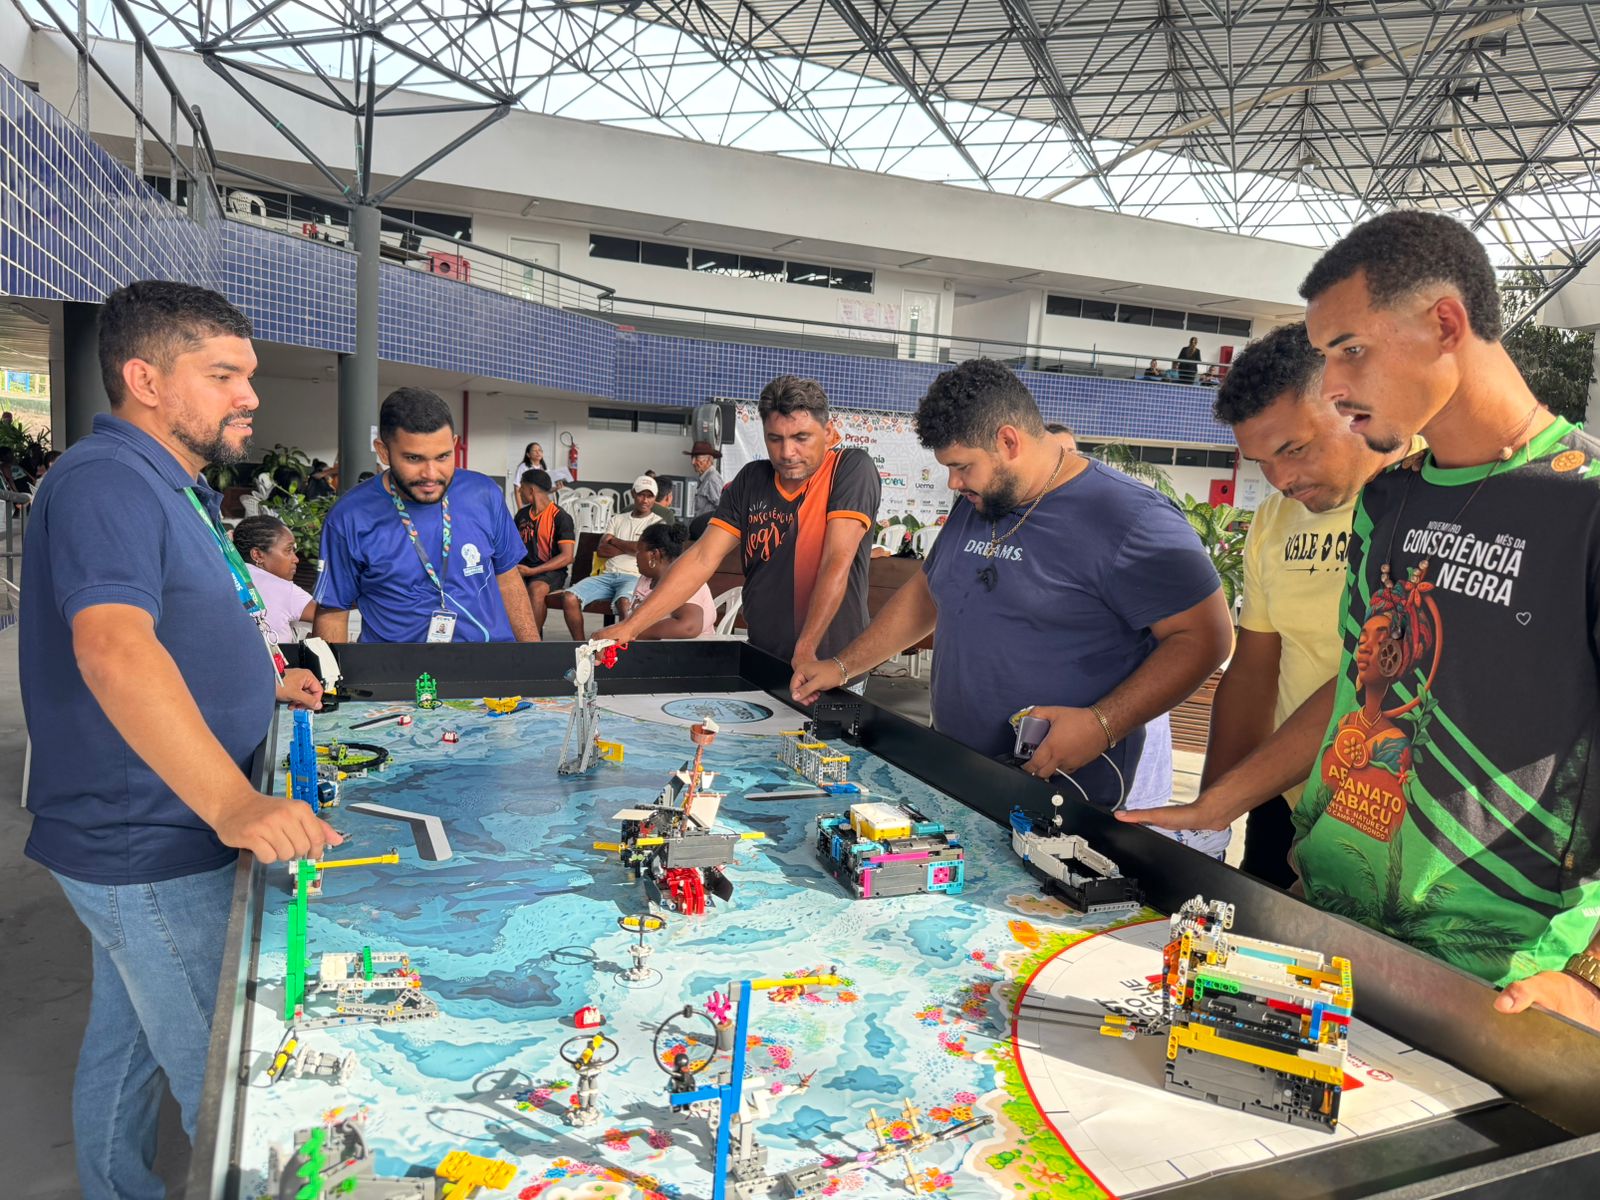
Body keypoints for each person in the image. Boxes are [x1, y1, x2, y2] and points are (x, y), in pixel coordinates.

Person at [1122, 211, 1600, 1031]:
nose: (1335, 386)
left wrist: (1589, 983)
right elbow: (1357, 689)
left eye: (1350, 349)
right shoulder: (1391, 499)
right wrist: (1218, 806)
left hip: (1504, 977)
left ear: (1444, 323)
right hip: (1332, 930)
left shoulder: (1584, 503)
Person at [19, 279, 337, 1200]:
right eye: (225, 374)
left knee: (127, 1050)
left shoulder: (170, 484)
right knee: (230, 1091)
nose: (251, 395)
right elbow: (115, 647)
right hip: (150, 837)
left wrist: (261, 680)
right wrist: (236, 801)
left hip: (151, 828)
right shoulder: (107, 481)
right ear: (145, 378)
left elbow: (175, 625)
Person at [792, 359, 1232, 811]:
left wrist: (1102, 724)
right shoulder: (981, 499)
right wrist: (844, 666)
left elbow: (1206, 637)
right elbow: (928, 593)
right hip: (954, 769)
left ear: (1008, 441)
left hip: (1060, 791)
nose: (953, 481)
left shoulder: (1131, 518)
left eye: (962, 466)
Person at [1202, 322, 1421, 888]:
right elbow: (1254, 671)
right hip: (1286, 797)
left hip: (1405, 820)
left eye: (1293, 450)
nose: (1280, 480)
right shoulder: (1276, 519)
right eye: (1261, 463)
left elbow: (1374, 677)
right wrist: (1209, 815)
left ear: (1351, 404)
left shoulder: (1437, 500)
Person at [604, 376, 880, 680]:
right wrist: (631, 625)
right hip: (763, 655)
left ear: (829, 433)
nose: (787, 452)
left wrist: (806, 647)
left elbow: (836, 560)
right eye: (775, 439)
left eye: (801, 437)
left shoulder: (850, 468)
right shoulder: (752, 480)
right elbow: (701, 558)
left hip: (829, 665)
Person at [313, 388, 539, 643]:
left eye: (443, 456)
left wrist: (535, 665)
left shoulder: (484, 494)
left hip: (485, 670)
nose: (431, 474)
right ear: (383, 451)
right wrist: (331, 683)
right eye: (413, 458)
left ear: (454, 444)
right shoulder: (348, 517)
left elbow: (508, 581)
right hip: (396, 675)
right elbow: (333, 611)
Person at [560, 475, 662, 637]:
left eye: (650, 496)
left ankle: (622, 651)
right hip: (607, 576)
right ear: (633, 493)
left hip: (634, 578)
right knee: (569, 598)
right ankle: (580, 647)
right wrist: (634, 549)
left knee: (625, 604)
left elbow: (644, 549)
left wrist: (615, 540)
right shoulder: (617, 519)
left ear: (655, 499)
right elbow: (602, 549)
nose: (645, 500)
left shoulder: (657, 523)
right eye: (642, 494)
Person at [232, 513, 317, 642]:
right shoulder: (283, 589)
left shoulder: (224, 576)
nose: (296, 559)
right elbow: (329, 617)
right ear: (258, 555)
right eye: (288, 550)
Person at [513, 467, 575, 632]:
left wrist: (533, 571)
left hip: (551, 572)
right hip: (523, 570)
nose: (519, 491)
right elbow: (512, 546)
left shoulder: (560, 517)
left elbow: (567, 556)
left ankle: (531, 641)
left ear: (531, 490)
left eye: (522, 487)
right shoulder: (521, 515)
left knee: (536, 588)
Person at [631, 523, 718, 639]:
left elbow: (688, 627)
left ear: (654, 554)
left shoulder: (685, 579)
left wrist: (632, 632)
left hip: (688, 651)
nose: (636, 556)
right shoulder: (646, 578)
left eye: (639, 551)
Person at [684, 439, 725, 538]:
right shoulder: (705, 479)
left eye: (696, 458)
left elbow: (722, 507)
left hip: (705, 534)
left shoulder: (712, 479)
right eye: (692, 458)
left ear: (708, 460)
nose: (693, 462)